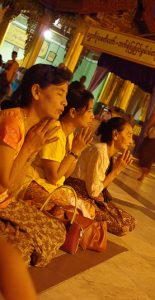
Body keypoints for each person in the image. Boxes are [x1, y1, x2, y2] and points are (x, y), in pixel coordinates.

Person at [0, 64, 71, 266]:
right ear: (37, 91)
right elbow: (5, 184)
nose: (65, 102)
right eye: (60, 93)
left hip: (6, 201)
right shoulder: (12, 122)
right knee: (18, 252)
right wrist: (28, 149)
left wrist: (30, 150)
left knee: (56, 230)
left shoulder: (35, 128)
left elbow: (13, 187)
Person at [21, 89, 94, 218]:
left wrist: (76, 152)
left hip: (51, 186)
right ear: (72, 112)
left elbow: (65, 174)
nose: (92, 116)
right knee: (73, 213)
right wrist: (74, 152)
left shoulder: (69, 134)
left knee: (89, 210)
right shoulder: (55, 130)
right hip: (32, 183)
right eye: (89, 111)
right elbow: (53, 177)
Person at [65, 117, 137, 235]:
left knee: (130, 221)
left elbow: (102, 187)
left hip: (89, 195)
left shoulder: (108, 154)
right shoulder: (100, 152)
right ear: (115, 134)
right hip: (77, 194)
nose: (131, 141)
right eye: (128, 135)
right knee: (121, 226)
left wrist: (116, 170)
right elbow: (94, 192)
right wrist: (116, 171)